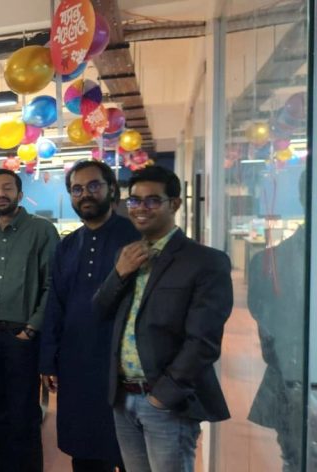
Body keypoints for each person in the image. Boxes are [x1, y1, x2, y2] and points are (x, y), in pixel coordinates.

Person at [94, 166, 232, 472]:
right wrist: (119, 273)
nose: (141, 208)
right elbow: (101, 310)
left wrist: (163, 396)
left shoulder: (205, 261)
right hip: (123, 397)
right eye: (134, 200)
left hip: (165, 402)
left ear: (175, 204)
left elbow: (203, 342)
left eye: (153, 200)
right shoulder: (127, 255)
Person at [39, 161, 137, 472]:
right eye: (77, 189)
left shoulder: (135, 237)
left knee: (129, 452)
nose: (85, 194)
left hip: (122, 364)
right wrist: (48, 359)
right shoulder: (67, 245)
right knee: (85, 452)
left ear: (112, 190)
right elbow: (55, 303)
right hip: (76, 363)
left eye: (94, 186)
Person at [0, 169, 58, 472]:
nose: (0, 194)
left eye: (7, 188)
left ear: (20, 194)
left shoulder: (42, 231)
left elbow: (52, 285)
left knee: (23, 415)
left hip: (21, 337)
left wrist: (31, 329)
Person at [247, 171, 307, 472]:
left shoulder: (271, 260)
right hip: (293, 380)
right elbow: (265, 322)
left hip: (292, 378)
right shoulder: (268, 262)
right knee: (297, 460)